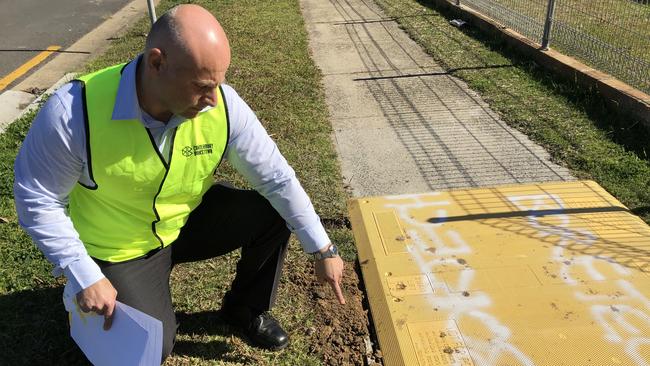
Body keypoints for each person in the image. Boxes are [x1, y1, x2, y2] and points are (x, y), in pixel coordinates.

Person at [13, 4, 345, 363]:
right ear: (156, 63)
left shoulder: (222, 105)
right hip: (121, 249)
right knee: (150, 349)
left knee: (271, 212)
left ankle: (244, 309)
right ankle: (88, 297)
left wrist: (322, 248)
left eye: (218, 84)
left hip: (184, 223)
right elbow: (38, 200)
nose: (213, 100)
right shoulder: (74, 111)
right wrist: (82, 273)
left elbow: (276, 178)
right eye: (202, 86)